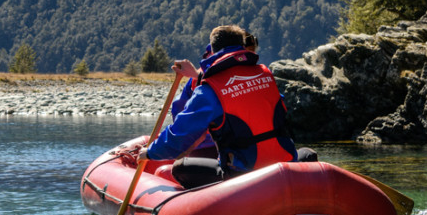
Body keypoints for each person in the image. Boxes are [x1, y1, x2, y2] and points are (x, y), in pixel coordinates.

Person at [121, 25, 315, 188]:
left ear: (212, 50)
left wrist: (150, 152)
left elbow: (179, 137)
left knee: (180, 167)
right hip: (283, 164)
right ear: (243, 46)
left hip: (242, 174)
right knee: (307, 154)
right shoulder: (266, 76)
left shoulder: (209, 89)